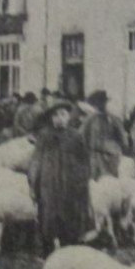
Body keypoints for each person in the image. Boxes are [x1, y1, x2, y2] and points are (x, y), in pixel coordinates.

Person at [28, 100, 94, 251]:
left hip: (70, 186)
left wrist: (82, 181)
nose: (59, 118)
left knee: (70, 222)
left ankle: (68, 253)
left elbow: (84, 162)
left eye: (63, 114)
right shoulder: (44, 136)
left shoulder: (76, 136)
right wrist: (33, 183)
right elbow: (36, 161)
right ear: (51, 118)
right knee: (48, 221)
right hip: (49, 186)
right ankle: (48, 253)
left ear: (69, 116)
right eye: (56, 115)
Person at [79, 89, 129, 180]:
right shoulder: (89, 120)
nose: (101, 106)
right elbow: (81, 138)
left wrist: (116, 150)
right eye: (97, 103)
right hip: (95, 158)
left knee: (110, 183)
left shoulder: (114, 119)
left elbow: (124, 140)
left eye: (103, 103)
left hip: (111, 158)